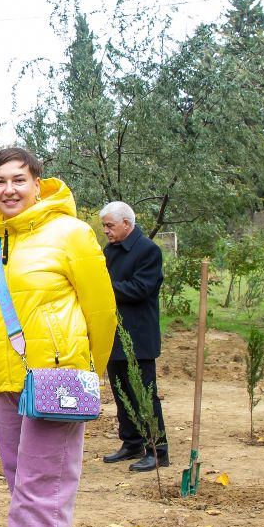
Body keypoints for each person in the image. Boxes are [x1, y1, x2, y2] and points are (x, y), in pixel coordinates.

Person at [0, 147, 116, 527]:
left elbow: (102, 313)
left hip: (57, 383)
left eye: (18, 179)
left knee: (38, 500)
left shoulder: (72, 234)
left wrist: (83, 375)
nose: (8, 189)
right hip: (8, 384)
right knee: (33, 498)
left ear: (38, 182)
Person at [100, 201, 169, 473]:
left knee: (144, 394)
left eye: (109, 225)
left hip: (138, 335)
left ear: (126, 224)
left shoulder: (148, 251)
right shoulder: (110, 251)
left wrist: (103, 289)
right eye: (105, 225)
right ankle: (132, 443)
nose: (106, 230)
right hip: (114, 334)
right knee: (121, 392)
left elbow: (141, 288)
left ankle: (158, 450)